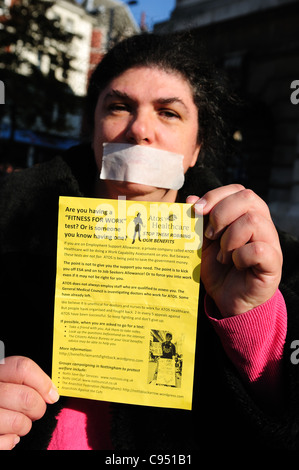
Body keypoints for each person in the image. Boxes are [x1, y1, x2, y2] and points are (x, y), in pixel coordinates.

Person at [1, 32, 299, 451]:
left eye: (169, 113)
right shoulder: (9, 223)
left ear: (196, 149)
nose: (140, 129)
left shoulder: (257, 256)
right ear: (93, 134)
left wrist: (253, 319)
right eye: (119, 107)